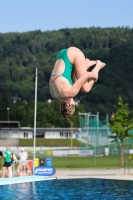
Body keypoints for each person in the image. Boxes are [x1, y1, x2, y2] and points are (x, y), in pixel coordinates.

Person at [49, 47, 106, 118]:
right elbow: (73, 75)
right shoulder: (53, 93)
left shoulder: (70, 93)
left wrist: (95, 75)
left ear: (70, 104)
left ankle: (98, 65)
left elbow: (87, 75)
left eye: (74, 103)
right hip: (61, 55)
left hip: (74, 54)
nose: (74, 101)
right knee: (77, 84)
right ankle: (85, 65)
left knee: (86, 88)